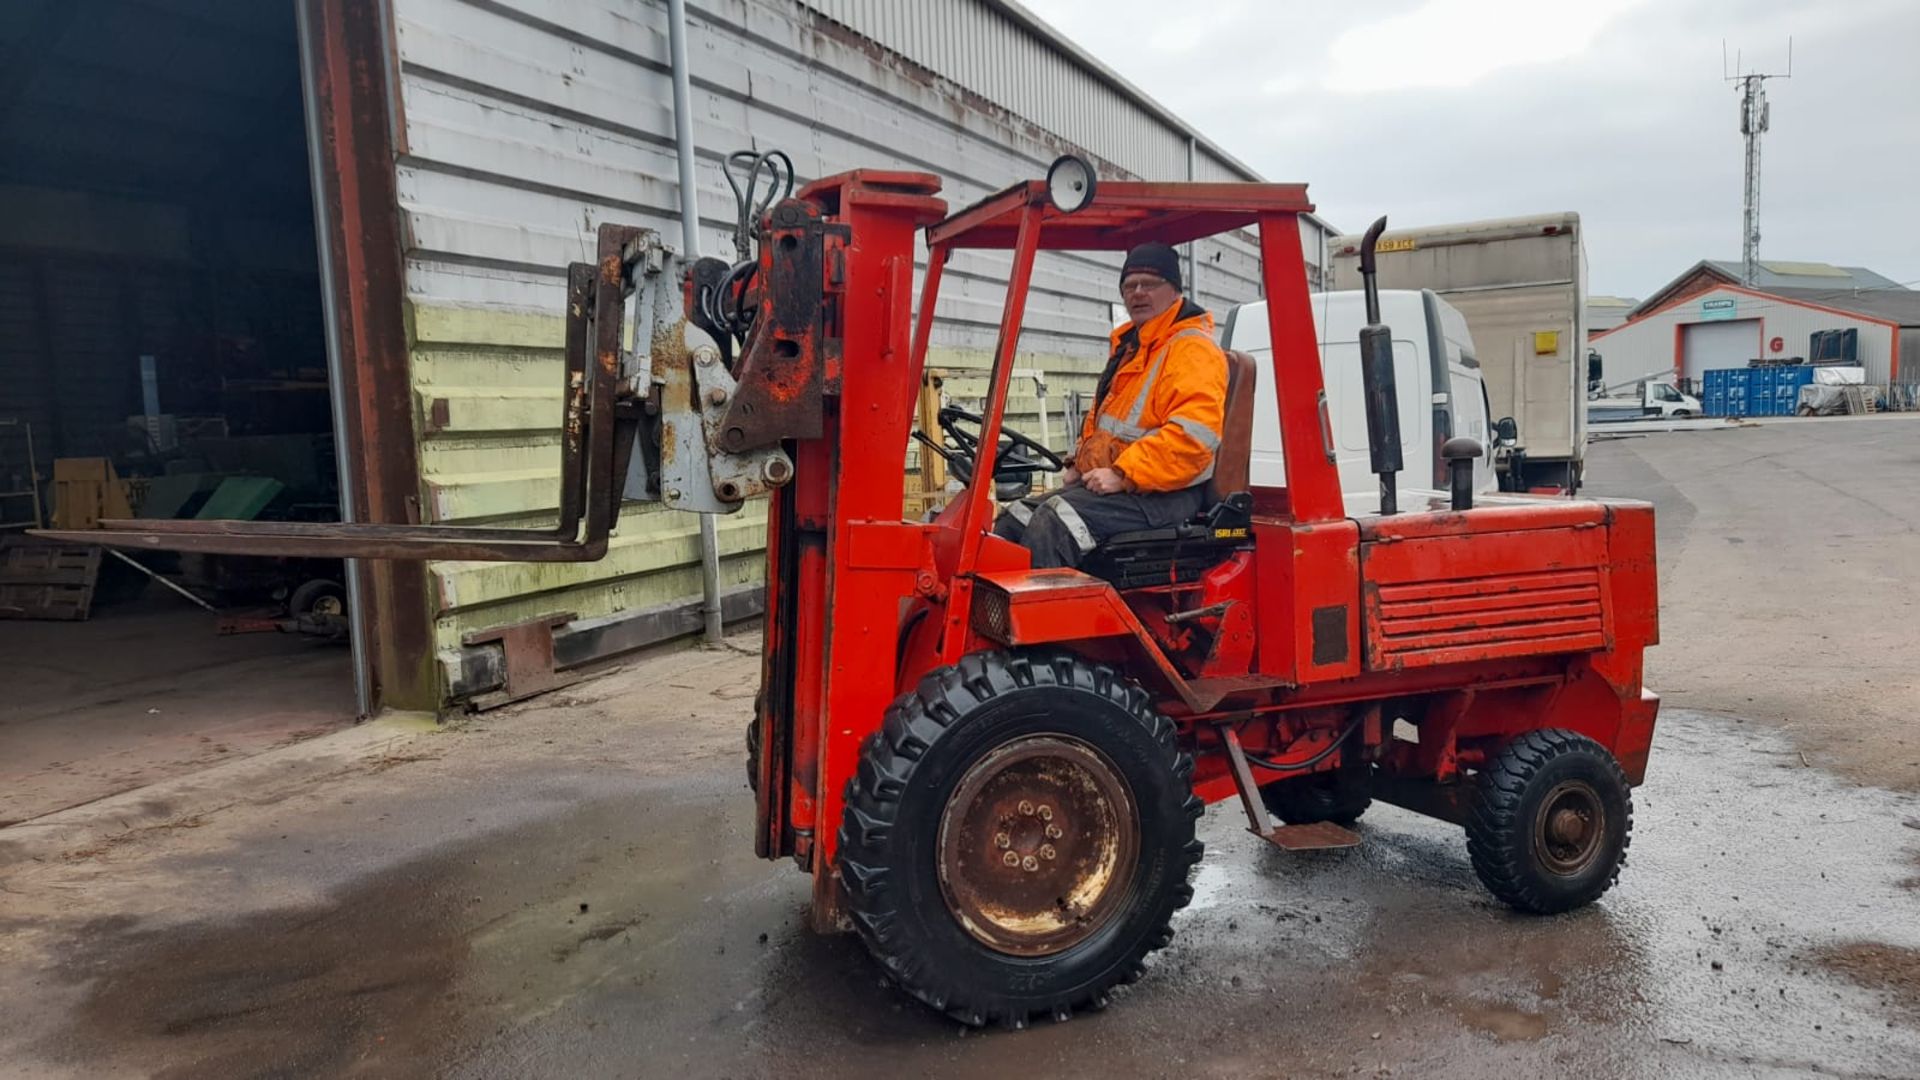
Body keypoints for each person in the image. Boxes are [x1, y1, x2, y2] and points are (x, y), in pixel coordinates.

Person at [993, 242, 1227, 569]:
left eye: (1150, 283)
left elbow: (1192, 441)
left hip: (1168, 494)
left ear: (1175, 290)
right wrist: (1079, 463)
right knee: (1013, 519)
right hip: (1130, 489)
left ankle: (1053, 619)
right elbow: (1102, 426)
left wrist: (1122, 473)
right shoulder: (1132, 349)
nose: (1138, 293)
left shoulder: (1192, 351)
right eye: (1130, 286)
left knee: (1054, 523)